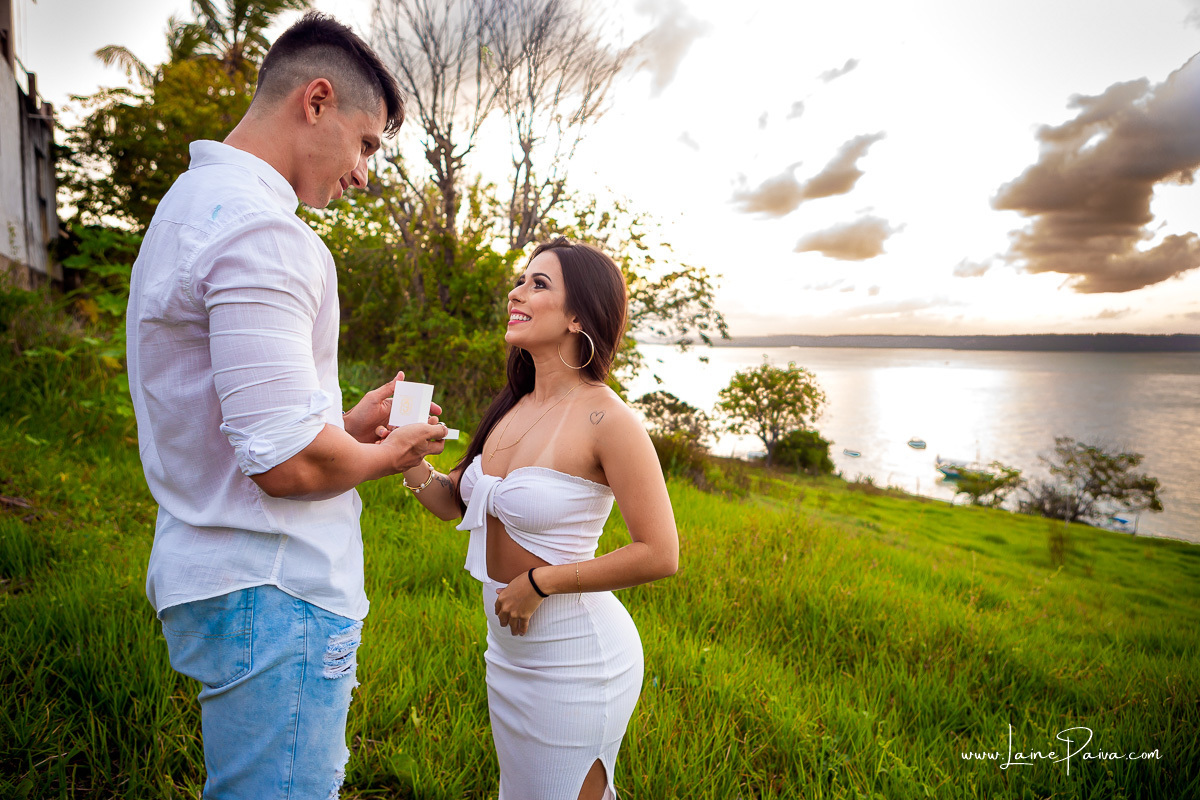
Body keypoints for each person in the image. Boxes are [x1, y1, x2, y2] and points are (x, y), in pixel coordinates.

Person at [125, 13, 448, 798]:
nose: (366, 172)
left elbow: (240, 422)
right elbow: (284, 461)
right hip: (276, 591)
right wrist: (390, 456)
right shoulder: (264, 232)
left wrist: (342, 427)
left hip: (223, 571)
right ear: (317, 101)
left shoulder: (190, 203)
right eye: (367, 143)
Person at [392, 237, 680, 800]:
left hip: (576, 657)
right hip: (509, 653)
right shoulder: (514, 404)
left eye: (537, 284)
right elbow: (459, 501)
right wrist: (407, 460)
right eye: (520, 280)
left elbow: (660, 553)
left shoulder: (609, 419)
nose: (515, 292)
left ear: (579, 315)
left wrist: (538, 583)